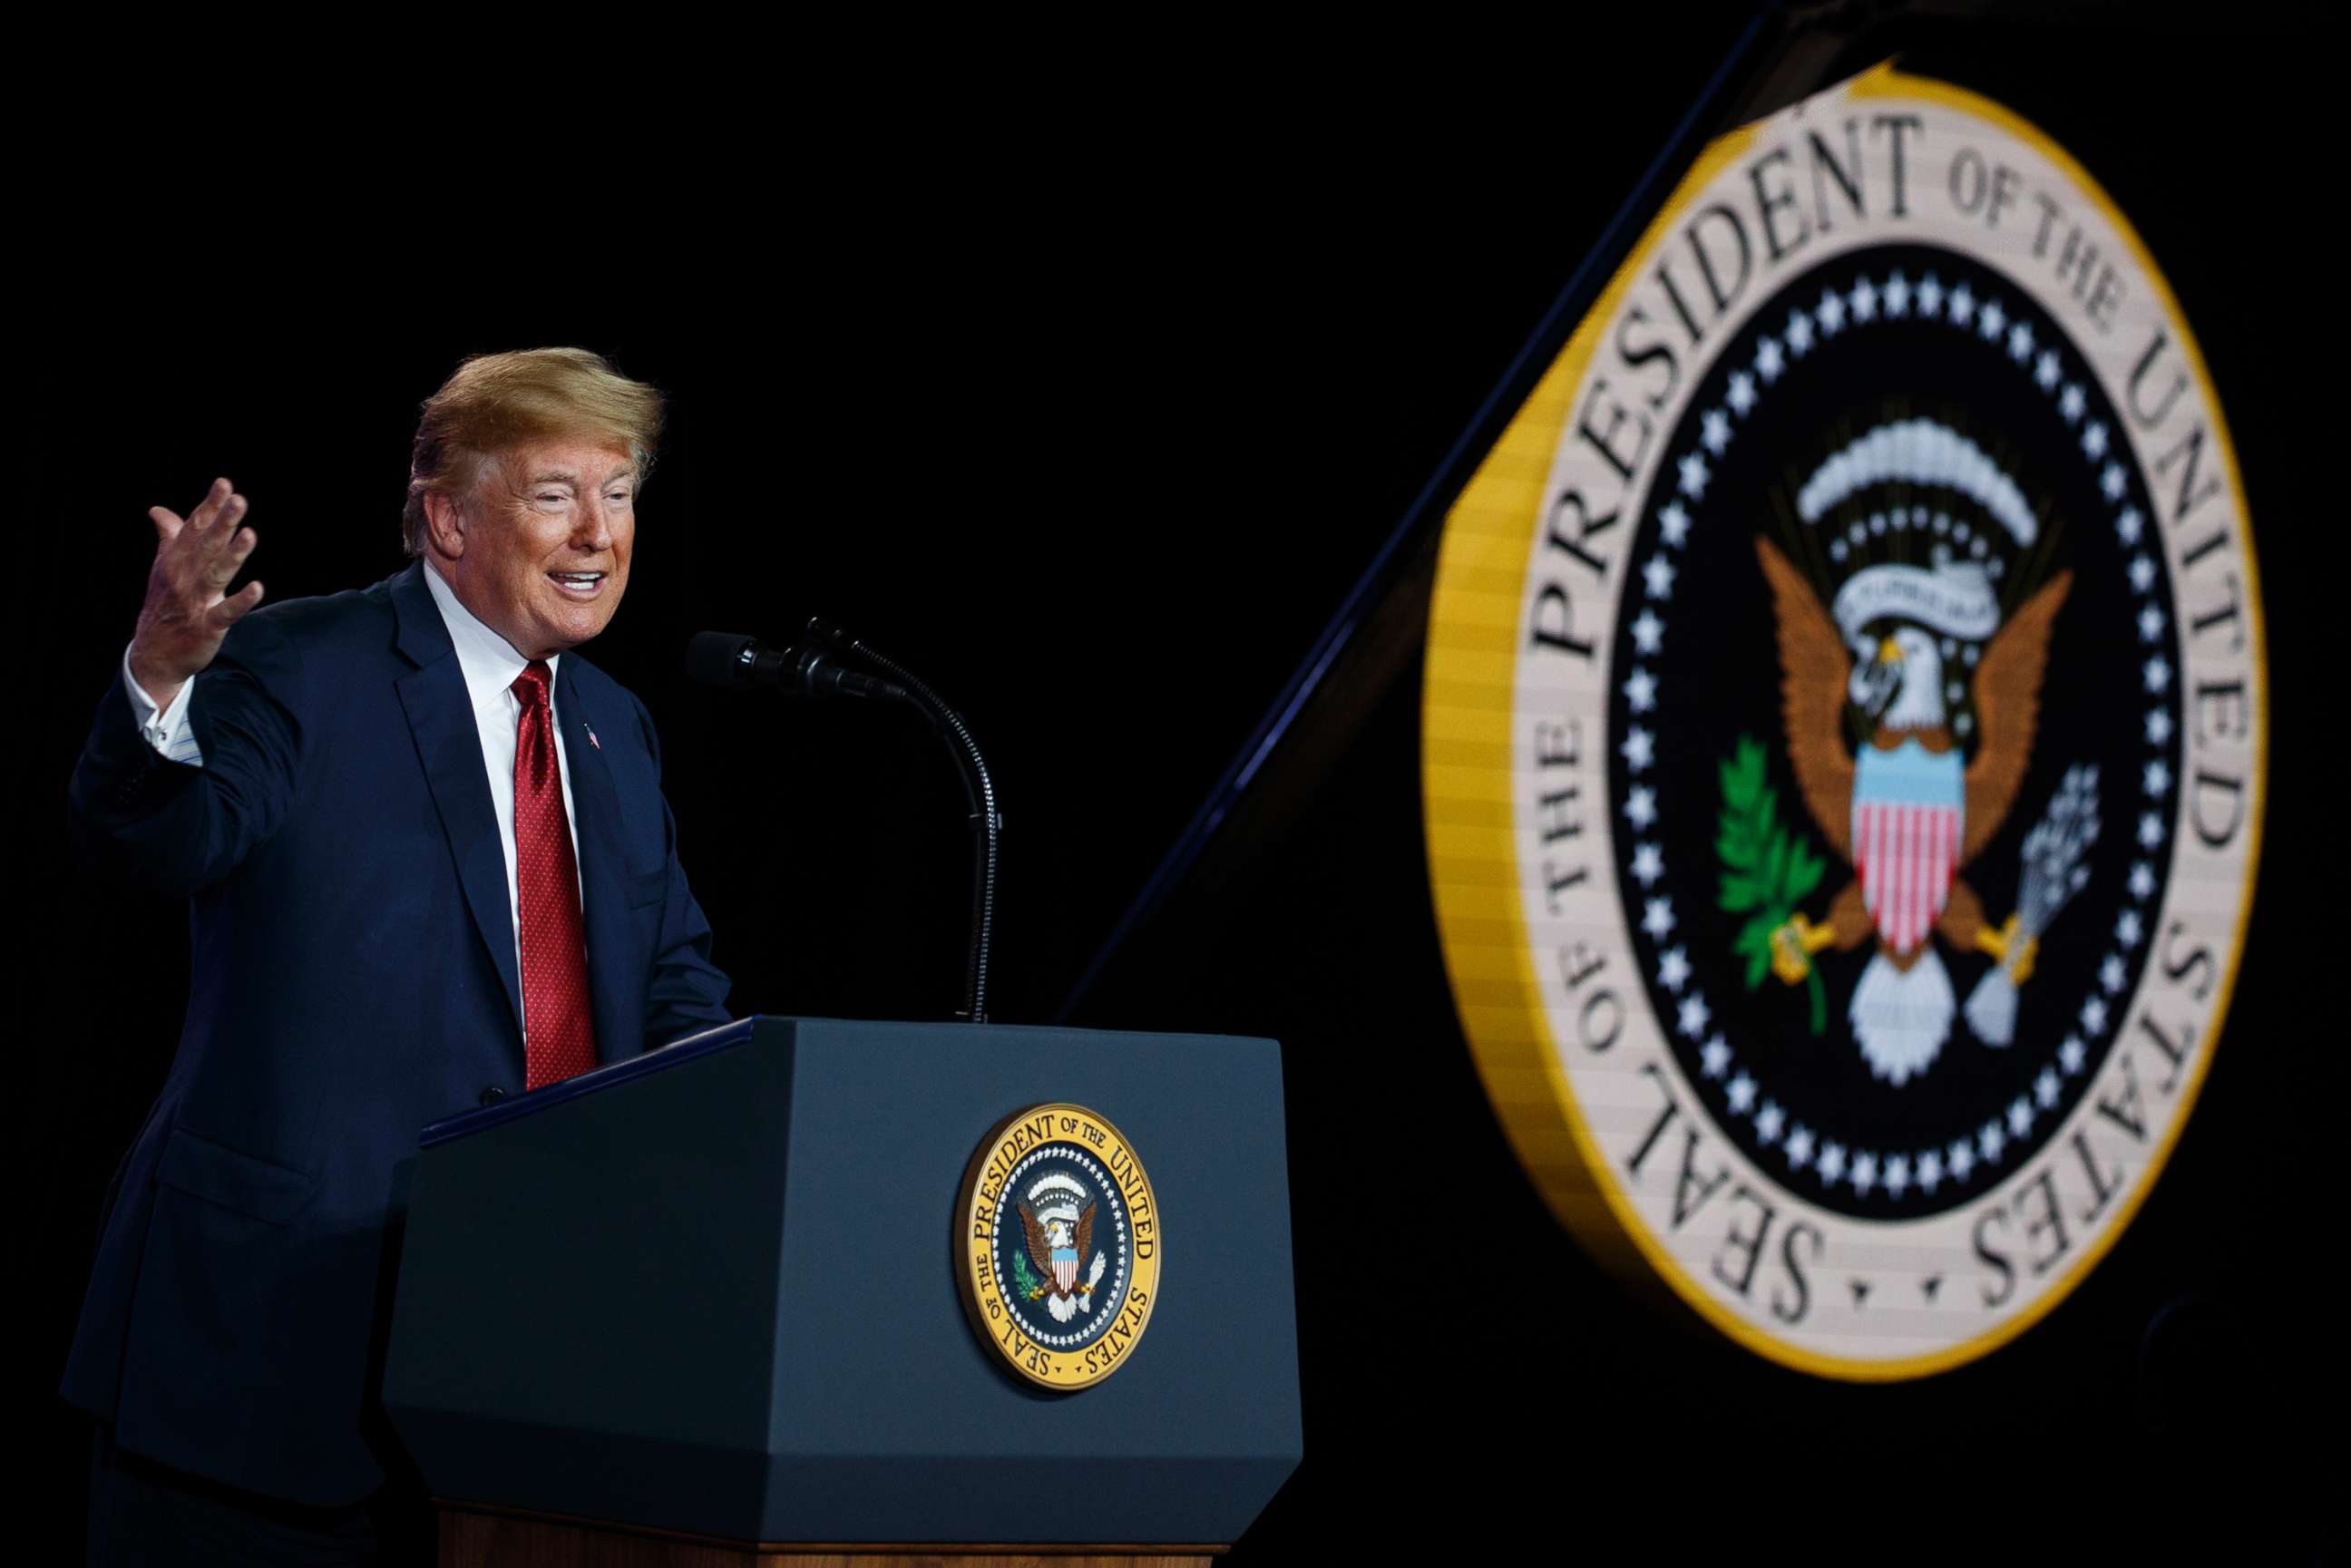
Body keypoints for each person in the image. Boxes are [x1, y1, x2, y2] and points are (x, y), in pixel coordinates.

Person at [65, 348, 735, 1563]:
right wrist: (160, 669)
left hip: (527, 1379)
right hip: (268, 1371)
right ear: (446, 518)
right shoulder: (306, 665)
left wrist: (741, 1121)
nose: (598, 531)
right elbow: (161, 836)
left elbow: (672, 981)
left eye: (620, 492)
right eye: (554, 494)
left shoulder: (613, 727)